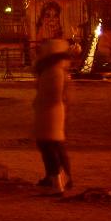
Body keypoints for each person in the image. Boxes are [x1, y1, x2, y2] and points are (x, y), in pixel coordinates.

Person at [33, 38, 73, 194]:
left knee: (50, 145)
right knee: (53, 145)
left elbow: (54, 94)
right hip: (48, 111)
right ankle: (58, 177)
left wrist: (42, 102)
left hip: (50, 112)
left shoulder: (54, 71)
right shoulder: (53, 69)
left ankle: (57, 180)